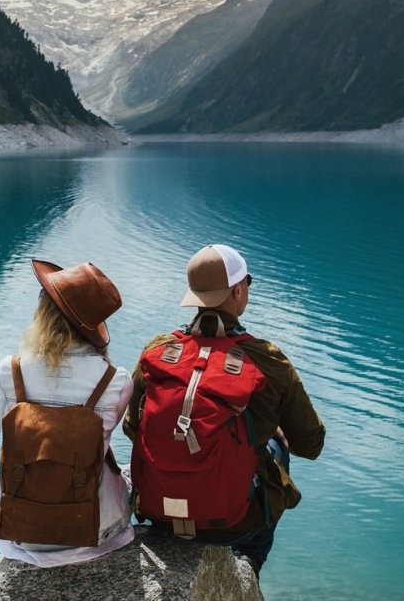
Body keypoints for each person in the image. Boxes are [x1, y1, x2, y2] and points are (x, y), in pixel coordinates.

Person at [124, 244, 324, 573]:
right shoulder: (266, 359)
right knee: (276, 445)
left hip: (160, 513)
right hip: (234, 524)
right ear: (237, 290)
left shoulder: (158, 351)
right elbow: (310, 445)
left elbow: (132, 426)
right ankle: (248, 565)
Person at [0, 258, 135, 566]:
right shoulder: (116, 381)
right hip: (93, 530)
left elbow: (5, 433)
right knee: (127, 473)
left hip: (19, 529)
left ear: (44, 313)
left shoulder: (9, 370)